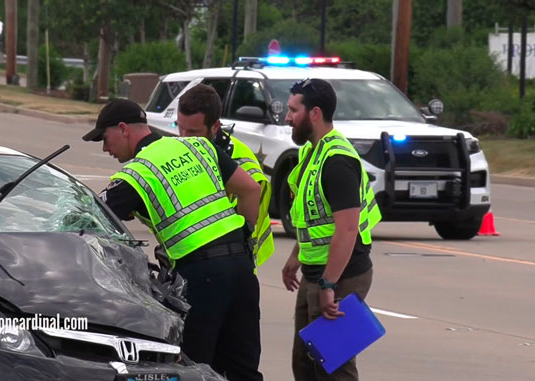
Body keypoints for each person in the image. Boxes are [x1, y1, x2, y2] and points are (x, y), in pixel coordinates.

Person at [82, 98, 264, 381]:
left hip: (202, 277)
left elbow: (86, 217)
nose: (106, 149)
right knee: (243, 369)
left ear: (123, 129)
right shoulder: (199, 146)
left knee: (195, 368)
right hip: (242, 268)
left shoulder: (135, 175)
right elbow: (251, 190)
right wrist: (245, 239)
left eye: (105, 139)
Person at [281, 78, 381, 381]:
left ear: (314, 113)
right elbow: (313, 217)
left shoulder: (336, 161)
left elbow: (347, 230)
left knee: (333, 368)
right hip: (316, 271)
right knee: (304, 365)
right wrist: (296, 256)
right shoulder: (311, 153)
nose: (287, 117)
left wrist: (329, 287)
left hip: (342, 275)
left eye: (293, 110)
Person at [176, 84, 274, 269]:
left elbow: (241, 230)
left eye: (193, 133)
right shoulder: (187, 151)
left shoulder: (244, 167)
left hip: (234, 262)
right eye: (180, 128)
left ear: (215, 127)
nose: (184, 138)